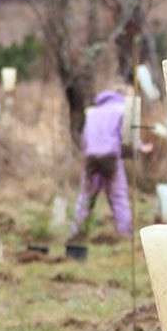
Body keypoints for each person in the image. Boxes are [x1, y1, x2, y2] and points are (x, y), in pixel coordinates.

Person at [70, 89, 143, 239]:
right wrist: (140, 146)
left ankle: (77, 231)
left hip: (91, 157)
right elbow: (128, 136)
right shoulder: (122, 110)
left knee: (86, 195)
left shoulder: (93, 112)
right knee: (118, 195)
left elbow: (85, 138)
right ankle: (124, 233)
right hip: (110, 157)